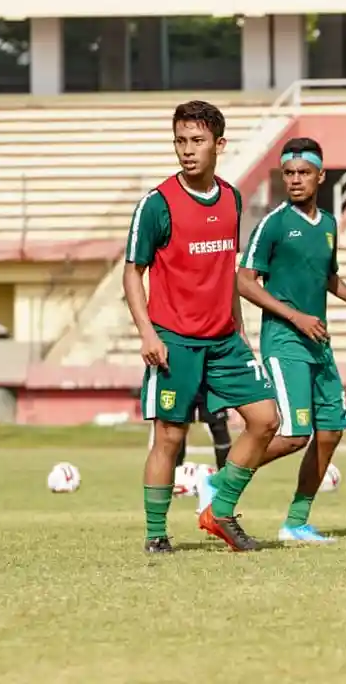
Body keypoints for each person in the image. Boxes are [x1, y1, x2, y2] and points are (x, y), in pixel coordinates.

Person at [207, 137, 346, 543]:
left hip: (317, 341)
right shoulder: (274, 223)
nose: (295, 180)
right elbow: (244, 281)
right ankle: (220, 484)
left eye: (304, 173)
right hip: (284, 339)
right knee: (292, 434)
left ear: (321, 176)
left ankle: (297, 522)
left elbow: (327, 277)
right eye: (288, 173)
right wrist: (294, 316)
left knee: (331, 431)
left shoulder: (327, 225)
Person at [125, 100, 281, 554]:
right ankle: (156, 535)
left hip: (225, 340)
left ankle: (220, 508)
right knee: (170, 437)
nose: (187, 150)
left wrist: (242, 328)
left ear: (219, 144)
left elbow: (226, 269)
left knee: (266, 419)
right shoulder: (156, 205)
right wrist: (147, 333)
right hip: (174, 341)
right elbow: (132, 272)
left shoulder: (232, 199)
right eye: (180, 141)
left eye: (197, 141)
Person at [172, 394, 232, 471]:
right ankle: (175, 472)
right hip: (183, 385)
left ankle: (225, 474)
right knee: (177, 427)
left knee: (219, 428)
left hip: (210, 386)